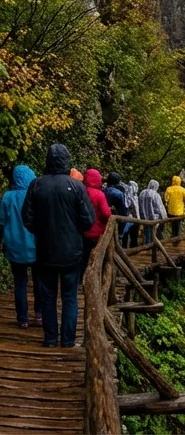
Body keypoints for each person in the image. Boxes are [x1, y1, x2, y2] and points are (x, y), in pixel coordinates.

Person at [22, 145, 96, 347]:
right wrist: (74, 229)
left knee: (47, 296)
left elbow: (27, 218)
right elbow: (89, 220)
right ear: (66, 160)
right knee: (70, 297)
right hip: (72, 252)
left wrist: (42, 230)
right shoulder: (76, 186)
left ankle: (50, 339)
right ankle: (68, 340)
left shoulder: (36, 185)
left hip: (45, 251)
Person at [1, 166, 37, 329]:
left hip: (14, 246)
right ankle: (40, 312)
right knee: (39, 281)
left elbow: (1, 221)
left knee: (20, 283)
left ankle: (22, 318)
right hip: (35, 245)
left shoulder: (8, 197)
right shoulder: (35, 194)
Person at [80, 169, 112, 274]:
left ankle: (81, 278)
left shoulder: (80, 191)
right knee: (97, 258)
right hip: (97, 232)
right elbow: (105, 213)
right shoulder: (99, 194)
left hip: (82, 231)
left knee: (83, 257)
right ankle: (95, 278)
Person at [103, 173, 130, 249]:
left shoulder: (103, 191)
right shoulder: (119, 194)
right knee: (116, 241)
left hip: (104, 220)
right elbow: (123, 210)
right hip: (115, 220)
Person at [138, 180, 166, 244]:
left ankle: (147, 247)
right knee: (154, 234)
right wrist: (164, 217)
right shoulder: (155, 195)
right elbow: (160, 207)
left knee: (147, 234)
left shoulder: (142, 192)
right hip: (154, 219)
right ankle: (153, 249)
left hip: (144, 218)